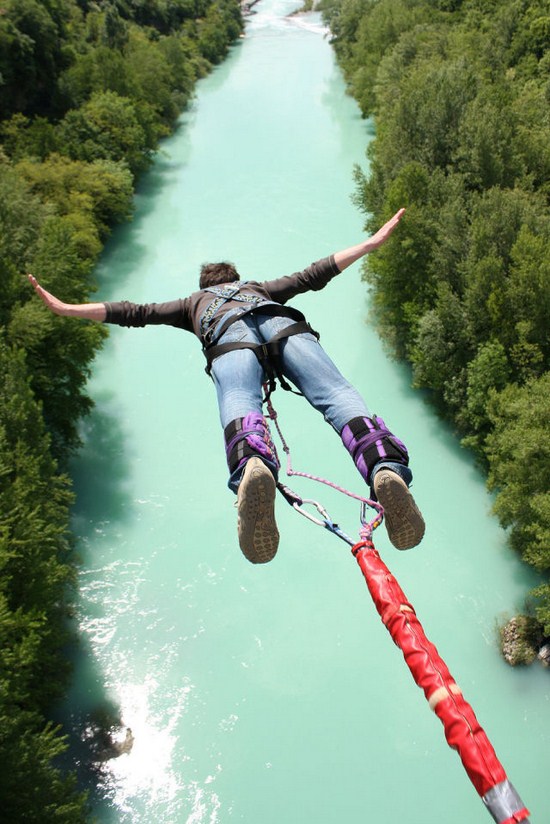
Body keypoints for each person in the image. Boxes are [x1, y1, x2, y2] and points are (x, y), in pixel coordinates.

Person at [28, 208, 425, 564]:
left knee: (240, 400)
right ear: (234, 278)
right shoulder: (258, 288)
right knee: (337, 396)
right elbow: (314, 274)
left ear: (204, 284)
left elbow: (135, 313)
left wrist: (67, 309)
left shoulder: (192, 303)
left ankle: (253, 464)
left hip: (229, 341)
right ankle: (383, 466)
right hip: (284, 326)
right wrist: (370, 244)